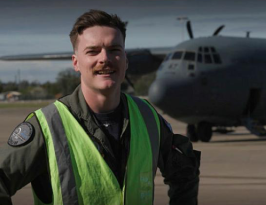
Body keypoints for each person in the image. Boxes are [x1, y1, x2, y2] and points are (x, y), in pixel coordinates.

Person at [0, 9, 200, 205]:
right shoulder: (47, 126)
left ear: (126, 60)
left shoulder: (148, 117)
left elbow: (184, 171)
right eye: (93, 51)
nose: (105, 58)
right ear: (76, 62)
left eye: (114, 50)